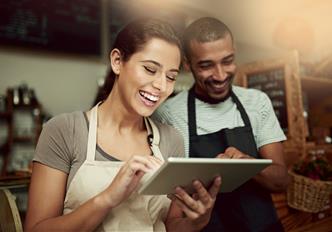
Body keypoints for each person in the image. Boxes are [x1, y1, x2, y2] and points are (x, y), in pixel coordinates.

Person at [25, 18, 222, 232]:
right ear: (117, 61)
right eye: (149, 69)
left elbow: (171, 225)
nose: (161, 86)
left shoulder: (171, 140)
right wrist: (108, 198)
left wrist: (195, 222)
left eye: (171, 76)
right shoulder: (64, 131)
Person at [153, 17, 289, 232]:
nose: (220, 75)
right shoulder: (168, 114)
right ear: (187, 64)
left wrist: (247, 164)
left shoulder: (257, 102)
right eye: (206, 65)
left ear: (234, 52)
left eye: (227, 61)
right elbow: (171, 205)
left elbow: (281, 181)